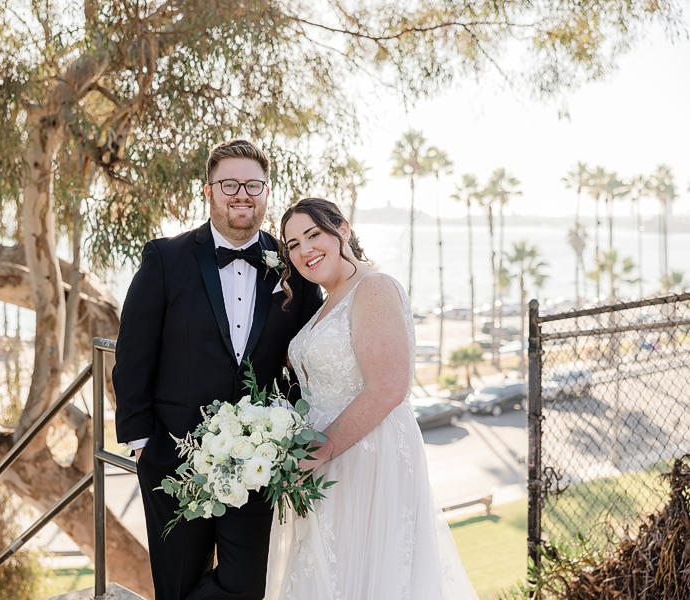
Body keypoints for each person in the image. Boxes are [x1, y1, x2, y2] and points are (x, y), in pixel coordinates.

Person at [113, 140, 323, 600]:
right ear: (209, 191)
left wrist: (290, 430)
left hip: (258, 459)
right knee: (177, 582)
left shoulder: (294, 265)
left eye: (253, 185)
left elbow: (309, 354)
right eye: (230, 184)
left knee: (245, 586)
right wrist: (141, 441)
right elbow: (133, 353)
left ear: (266, 192)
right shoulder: (165, 258)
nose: (242, 194)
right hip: (173, 455)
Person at [265, 198, 478, 599]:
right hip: (328, 463)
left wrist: (318, 451)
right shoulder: (328, 300)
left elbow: (388, 388)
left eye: (313, 235)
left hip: (367, 458)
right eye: (293, 245)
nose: (304, 250)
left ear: (343, 230)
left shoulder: (373, 288)